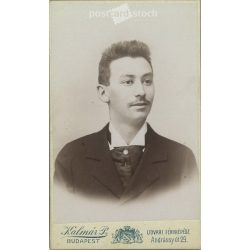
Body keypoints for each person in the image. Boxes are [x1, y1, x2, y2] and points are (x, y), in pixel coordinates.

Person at [54, 40, 199, 203]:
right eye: (128, 82)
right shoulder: (72, 157)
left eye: (147, 81)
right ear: (103, 93)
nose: (141, 92)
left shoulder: (182, 159)